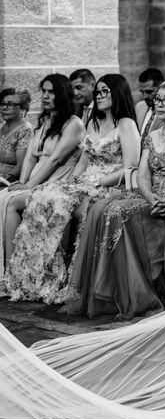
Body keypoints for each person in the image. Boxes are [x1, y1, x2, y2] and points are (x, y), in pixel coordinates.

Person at [61, 80, 165, 319]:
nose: (159, 104)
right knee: (103, 208)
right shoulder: (153, 135)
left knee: (120, 212)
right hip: (151, 196)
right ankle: (113, 291)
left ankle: (139, 293)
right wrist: (150, 197)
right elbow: (142, 174)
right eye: (157, 99)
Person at [5, 74, 140, 304]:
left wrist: (99, 182)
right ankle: (34, 276)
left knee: (57, 203)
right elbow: (83, 161)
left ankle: (59, 278)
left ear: (118, 93)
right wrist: (73, 181)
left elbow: (131, 166)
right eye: (98, 92)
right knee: (44, 198)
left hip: (109, 184)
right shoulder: (93, 123)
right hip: (84, 181)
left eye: (105, 91)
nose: (99, 95)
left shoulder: (125, 124)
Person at [0, 75, 84, 287]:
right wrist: (21, 182)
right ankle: (8, 269)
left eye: (51, 92)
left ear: (62, 94)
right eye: (44, 91)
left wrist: (29, 185)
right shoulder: (46, 122)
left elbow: (55, 159)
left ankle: (12, 273)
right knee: (5, 195)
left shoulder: (74, 124)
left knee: (9, 203)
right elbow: (30, 156)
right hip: (37, 179)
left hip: (56, 181)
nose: (45, 96)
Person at [0, 88, 32, 186]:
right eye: (2, 104)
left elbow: (21, 166)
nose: (4, 107)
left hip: (9, 183)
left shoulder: (25, 130)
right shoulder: (1, 126)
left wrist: (2, 181)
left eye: (10, 105)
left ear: (22, 108)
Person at [135, 68, 164, 140]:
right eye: (142, 92)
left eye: (149, 92)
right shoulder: (139, 107)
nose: (144, 96)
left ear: (161, 88)